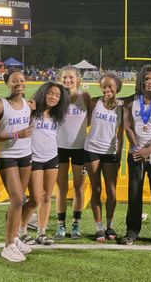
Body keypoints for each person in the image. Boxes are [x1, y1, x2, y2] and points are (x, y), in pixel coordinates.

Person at [121, 65, 151, 245]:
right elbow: (127, 126)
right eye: (146, 79)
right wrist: (136, 147)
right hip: (136, 153)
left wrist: (150, 149)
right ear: (140, 80)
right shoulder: (131, 102)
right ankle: (132, 231)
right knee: (134, 194)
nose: (149, 82)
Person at [0, 69, 32, 262]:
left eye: (22, 80)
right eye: (15, 81)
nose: (19, 83)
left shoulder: (28, 104)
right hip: (7, 156)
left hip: (26, 155)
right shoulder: (0, 105)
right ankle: (8, 246)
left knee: (20, 200)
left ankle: (14, 237)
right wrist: (16, 135)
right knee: (16, 199)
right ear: (7, 83)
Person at [19, 82, 69, 245]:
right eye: (50, 93)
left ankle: (41, 232)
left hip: (52, 158)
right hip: (34, 159)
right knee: (35, 198)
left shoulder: (57, 115)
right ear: (43, 93)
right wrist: (28, 109)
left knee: (47, 196)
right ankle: (22, 230)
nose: (53, 97)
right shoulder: (32, 111)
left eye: (57, 95)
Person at [84, 72, 124, 242]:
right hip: (92, 149)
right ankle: (99, 227)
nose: (107, 89)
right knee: (96, 189)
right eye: (104, 86)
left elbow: (121, 134)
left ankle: (110, 225)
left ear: (117, 88)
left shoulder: (122, 106)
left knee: (112, 191)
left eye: (110, 86)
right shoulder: (94, 102)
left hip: (110, 152)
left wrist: (119, 154)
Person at [55, 66, 90, 240]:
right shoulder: (56, 98)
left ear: (78, 79)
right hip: (59, 148)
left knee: (78, 187)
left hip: (80, 148)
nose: (67, 80)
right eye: (64, 78)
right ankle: (60, 225)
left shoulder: (85, 97)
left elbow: (92, 116)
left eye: (71, 78)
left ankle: (76, 224)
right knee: (61, 188)